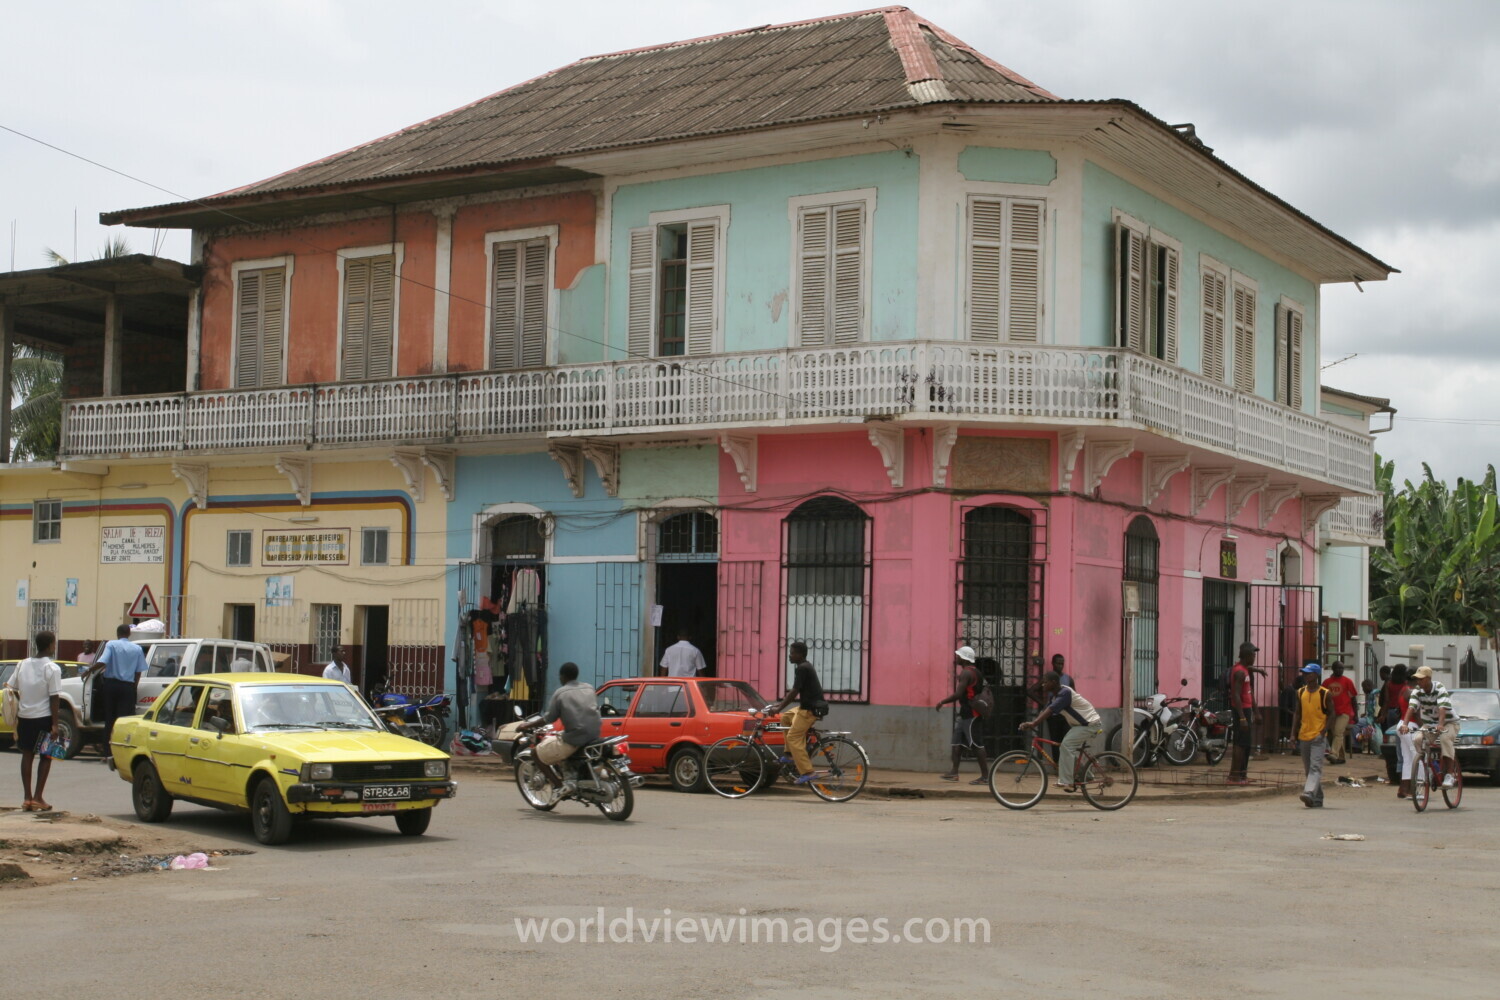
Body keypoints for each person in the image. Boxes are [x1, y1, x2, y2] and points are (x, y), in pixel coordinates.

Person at [3, 631, 63, 811]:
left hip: (25, 717)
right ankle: (38, 797)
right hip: (44, 718)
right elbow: (54, 698)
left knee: (27, 754)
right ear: (51, 645)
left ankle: (27, 798)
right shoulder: (52, 668)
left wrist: (22, 704)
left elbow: (11, 688)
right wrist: (55, 724)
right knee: (47, 755)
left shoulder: (22, 664)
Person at [1020, 671, 1103, 793]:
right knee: (1066, 748)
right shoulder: (1055, 696)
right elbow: (1045, 710)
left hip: (1090, 724)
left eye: (1045, 682)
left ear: (1053, 682)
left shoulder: (1065, 693)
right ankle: (1087, 775)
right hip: (1079, 725)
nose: (1043, 685)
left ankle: (1067, 781)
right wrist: (1032, 722)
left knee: (1066, 746)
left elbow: (1050, 710)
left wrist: (1034, 724)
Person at [521, 662, 601, 789]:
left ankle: (558, 786)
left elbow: (549, 718)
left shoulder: (561, 693)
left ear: (562, 676)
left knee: (535, 753)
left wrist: (526, 725)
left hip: (575, 738)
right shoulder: (589, 688)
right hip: (594, 735)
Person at [762, 642, 827, 785]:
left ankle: (808, 772)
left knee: (793, 737)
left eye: (792, 653)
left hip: (809, 710)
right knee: (786, 717)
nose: (789, 655)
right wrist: (779, 706)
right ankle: (789, 754)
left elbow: (794, 692)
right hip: (805, 707)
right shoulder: (804, 666)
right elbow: (795, 693)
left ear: (800, 655)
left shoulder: (803, 668)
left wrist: (778, 708)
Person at [935, 646, 991, 785]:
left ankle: (985, 777)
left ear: (964, 658)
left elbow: (959, 694)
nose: (957, 658)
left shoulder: (966, 673)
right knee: (956, 742)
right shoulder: (975, 671)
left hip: (972, 713)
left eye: (959, 656)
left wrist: (942, 701)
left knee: (977, 745)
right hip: (966, 713)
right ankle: (954, 772)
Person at [1402, 665, 1459, 790]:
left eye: (1421, 679)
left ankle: (1449, 774)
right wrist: (1405, 725)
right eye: (1417, 679)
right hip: (1429, 724)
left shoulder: (1439, 687)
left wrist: (1440, 724)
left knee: (1445, 739)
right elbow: (1411, 708)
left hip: (1449, 722)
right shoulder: (1417, 691)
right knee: (1417, 739)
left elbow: (1442, 708)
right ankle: (1430, 768)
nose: (1419, 682)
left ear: (1428, 678)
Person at [94, 624, 148, 747]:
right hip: (127, 687)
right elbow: (138, 671)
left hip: (111, 686)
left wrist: (89, 670)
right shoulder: (137, 648)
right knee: (124, 720)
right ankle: (122, 748)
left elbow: (103, 661)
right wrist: (134, 687)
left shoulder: (111, 645)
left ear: (117, 633)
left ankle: (108, 751)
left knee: (110, 719)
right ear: (129, 634)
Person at [1291, 663, 1332, 808]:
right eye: (1304, 673)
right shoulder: (1300, 692)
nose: (1306, 676)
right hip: (1304, 735)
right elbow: (1297, 713)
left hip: (1318, 736)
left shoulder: (1324, 693)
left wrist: (1323, 731)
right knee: (1309, 769)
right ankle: (1318, 798)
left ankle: (1308, 792)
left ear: (1316, 675)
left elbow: (1331, 714)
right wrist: (1293, 734)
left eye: (1309, 673)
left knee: (1315, 767)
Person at [1226, 641, 1266, 785]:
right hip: (1241, 711)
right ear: (1247, 655)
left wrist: (1259, 670)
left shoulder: (1245, 669)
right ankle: (1234, 776)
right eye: (1253, 654)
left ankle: (1242, 774)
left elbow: (1250, 691)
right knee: (1240, 744)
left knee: (1247, 744)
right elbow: (1236, 695)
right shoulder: (1240, 673)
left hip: (1247, 709)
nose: (1255, 656)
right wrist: (1242, 717)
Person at [1322, 661, 1358, 764]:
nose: (1340, 670)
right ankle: (1341, 758)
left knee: (1338, 732)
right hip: (1331, 713)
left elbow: (1353, 699)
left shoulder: (1348, 681)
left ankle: (1333, 754)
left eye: (1342, 668)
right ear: (1333, 669)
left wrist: (1355, 714)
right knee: (1336, 734)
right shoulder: (1326, 682)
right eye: (1338, 668)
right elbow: (1322, 698)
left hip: (1344, 712)